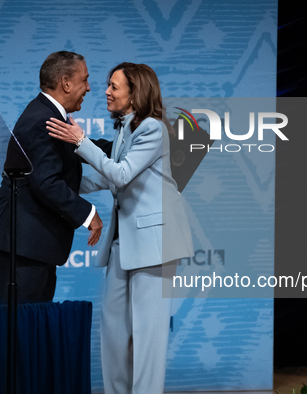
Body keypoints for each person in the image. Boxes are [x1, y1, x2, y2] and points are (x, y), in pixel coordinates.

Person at [46, 62, 193, 394]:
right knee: (113, 331)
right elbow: (105, 176)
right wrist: (52, 180)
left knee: (148, 336)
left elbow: (122, 173)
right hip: (122, 245)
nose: (107, 91)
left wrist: (82, 141)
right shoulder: (125, 128)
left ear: (135, 92)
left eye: (114, 86)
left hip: (155, 243)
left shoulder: (152, 128)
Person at [0, 51, 111, 305]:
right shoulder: (44, 119)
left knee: (30, 330)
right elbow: (46, 182)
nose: (89, 87)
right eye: (84, 80)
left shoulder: (47, 113)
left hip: (29, 244)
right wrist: (89, 214)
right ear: (66, 83)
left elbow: (78, 146)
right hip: (21, 245)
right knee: (18, 332)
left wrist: (124, 149)